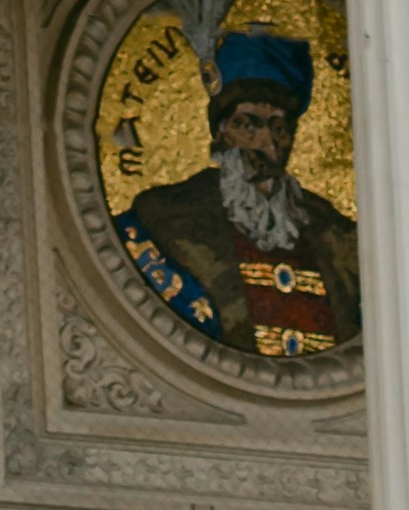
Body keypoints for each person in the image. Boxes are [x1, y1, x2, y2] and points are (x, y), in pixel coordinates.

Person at [111, 20, 360, 362]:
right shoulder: (164, 216)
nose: (266, 144)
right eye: (248, 125)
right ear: (221, 133)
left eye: (279, 127)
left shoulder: (335, 231)